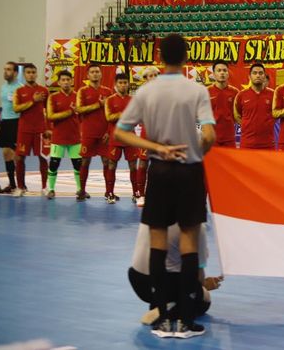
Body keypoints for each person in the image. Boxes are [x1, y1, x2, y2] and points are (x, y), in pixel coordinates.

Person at [114, 34, 216, 339]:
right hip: (189, 172)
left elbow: (122, 132)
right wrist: (196, 151)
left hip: (159, 171)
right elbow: (208, 134)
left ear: (160, 57)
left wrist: (155, 146)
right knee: (188, 243)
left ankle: (160, 318)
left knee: (157, 243)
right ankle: (185, 320)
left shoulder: (147, 91)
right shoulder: (196, 91)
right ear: (186, 57)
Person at [128, 223, 222, 326]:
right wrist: (202, 286)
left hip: (137, 279)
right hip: (164, 281)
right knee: (204, 300)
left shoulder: (152, 211)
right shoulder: (195, 225)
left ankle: (164, 302)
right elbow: (198, 272)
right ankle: (172, 309)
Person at [76, 65, 113, 201]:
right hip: (88, 132)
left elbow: (112, 113)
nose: (95, 74)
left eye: (97, 72)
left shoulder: (108, 91)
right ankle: (82, 190)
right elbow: (79, 109)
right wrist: (98, 105)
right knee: (85, 161)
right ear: (88, 75)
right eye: (92, 72)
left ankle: (108, 192)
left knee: (107, 162)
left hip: (104, 133)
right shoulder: (82, 91)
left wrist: (109, 131)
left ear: (101, 74)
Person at [12, 64, 49, 196]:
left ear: (37, 74)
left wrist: (48, 129)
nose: (31, 74)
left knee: (43, 158)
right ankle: (20, 187)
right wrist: (33, 100)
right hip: (24, 130)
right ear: (24, 74)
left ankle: (45, 187)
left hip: (40, 130)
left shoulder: (44, 90)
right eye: (28, 72)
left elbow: (49, 111)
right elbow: (16, 108)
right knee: (19, 158)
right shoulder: (19, 91)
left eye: (33, 72)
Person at [46, 70, 81, 199]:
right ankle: (51, 189)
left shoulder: (78, 96)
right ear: (59, 82)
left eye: (68, 80)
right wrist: (69, 112)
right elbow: (50, 116)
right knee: (54, 164)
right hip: (58, 138)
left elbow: (82, 116)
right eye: (63, 80)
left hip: (75, 137)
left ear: (72, 81)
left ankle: (80, 190)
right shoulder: (53, 97)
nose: (66, 82)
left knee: (78, 165)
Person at [104, 73, 139, 204]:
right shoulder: (110, 100)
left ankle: (136, 192)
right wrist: (124, 115)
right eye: (120, 83)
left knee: (133, 165)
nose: (123, 85)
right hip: (116, 137)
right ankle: (110, 193)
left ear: (128, 84)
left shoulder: (133, 100)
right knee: (111, 164)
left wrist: (121, 116)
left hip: (130, 138)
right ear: (115, 85)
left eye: (125, 82)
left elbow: (136, 118)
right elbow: (108, 117)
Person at [234, 63, 275, 150]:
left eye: (260, 73)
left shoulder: (273, 95)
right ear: (249, 76)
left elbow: (276, 114)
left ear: (264, 76)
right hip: (247, 143)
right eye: (255, 73)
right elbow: (237, 115)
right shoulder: (241, 95)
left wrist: (267, 123)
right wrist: (247, 124)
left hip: (268, 143)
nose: (258, 75)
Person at [135, 66, 160, 206]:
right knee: (143, 162)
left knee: (162, 165)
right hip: (147, 133)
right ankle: (141, 194)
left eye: (156, 75)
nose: (154, 78)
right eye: (151, 76)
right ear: (145, 79)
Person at [0, 62, 22, 193]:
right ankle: (12, 184)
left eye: (8, 69)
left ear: (15, 72)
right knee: (6, 153)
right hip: (5, 122)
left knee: (16, 156)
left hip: (16, 122)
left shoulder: (20, 88)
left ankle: (21, 184)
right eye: (5, 69)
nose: (5, 72)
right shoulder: (3, 87)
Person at [208, 61, 239, 148]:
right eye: (219, 70)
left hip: (229, 138)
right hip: (212, 137)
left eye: (224, 70)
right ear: (214, 74)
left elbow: (239, 114)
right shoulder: (206, 92)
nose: (222, 73)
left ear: (228, 74)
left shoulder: (235, 92)